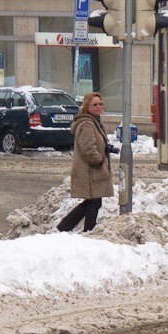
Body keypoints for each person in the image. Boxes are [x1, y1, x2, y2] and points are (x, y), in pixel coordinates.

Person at [56, 92, 115, 233]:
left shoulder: (94, 122)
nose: (99, 106)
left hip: (91, 170)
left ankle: (68, 227)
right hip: (90, 171)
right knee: (94, 202)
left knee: (93, 202)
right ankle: (85, 229)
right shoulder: (88, 124)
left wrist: (106, 148)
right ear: (87, 106)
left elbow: (95, 143)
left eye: (100, 104)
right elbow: (88, 148)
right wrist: (99, 161)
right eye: (95, 104)